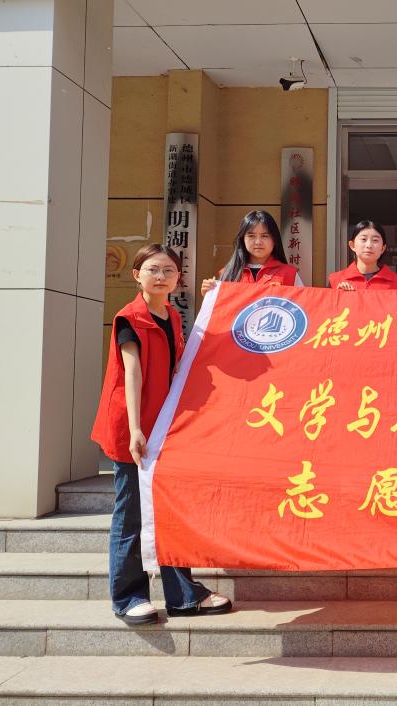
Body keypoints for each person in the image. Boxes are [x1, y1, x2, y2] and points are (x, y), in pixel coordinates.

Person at [92, 244, 232, 626]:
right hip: (133, 428)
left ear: (177, 278)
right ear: (136, 274)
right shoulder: (129, 318)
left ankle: (183, 595)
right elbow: (132, 373)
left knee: (169, 510)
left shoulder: (171, 315)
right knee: (131, 514)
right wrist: (136, 428)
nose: (160, 276)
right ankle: (127, 596)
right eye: (152, 269)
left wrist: (218, 299)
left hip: (164, 429)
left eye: (168, 270)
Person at [200, 210, 302, 295]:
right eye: (251, 236)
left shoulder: (290, 274)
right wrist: (209, 294)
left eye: (264, 236)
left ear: (274, 239)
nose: (258, 242)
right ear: (242, 239)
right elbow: (222, 309)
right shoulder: (227, 273)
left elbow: (302, 308)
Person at [329, 220, 397, 290]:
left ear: (383, 248)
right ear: (352, 245)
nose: (369, 245)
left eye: (375, 240)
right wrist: (338, 295)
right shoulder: (335, 280)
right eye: (363, 239)